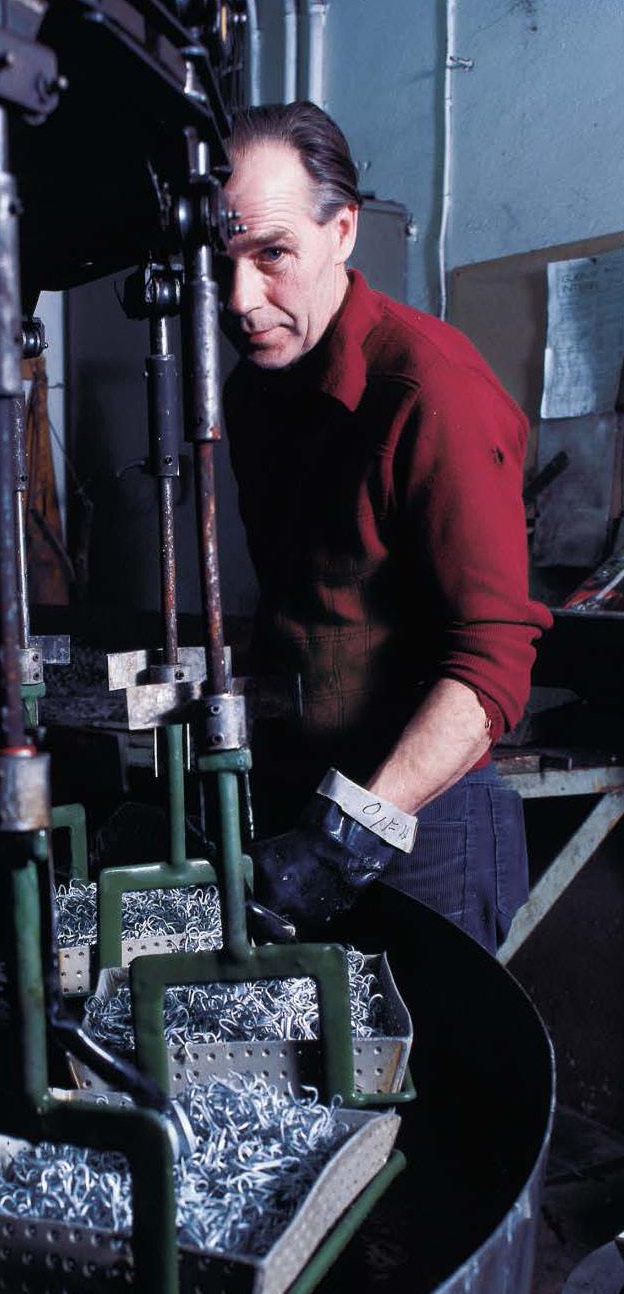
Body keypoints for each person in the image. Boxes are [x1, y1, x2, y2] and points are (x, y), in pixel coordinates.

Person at [221, 101, 552, 953]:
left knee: (429, 1040)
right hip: (300, 794)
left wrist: (347, 835)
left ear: (342, 231)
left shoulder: (432, 390)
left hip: (424, 822)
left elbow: (493, 662)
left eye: (272, 255)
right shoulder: (253, 389)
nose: (240, 301)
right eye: (220, 263)